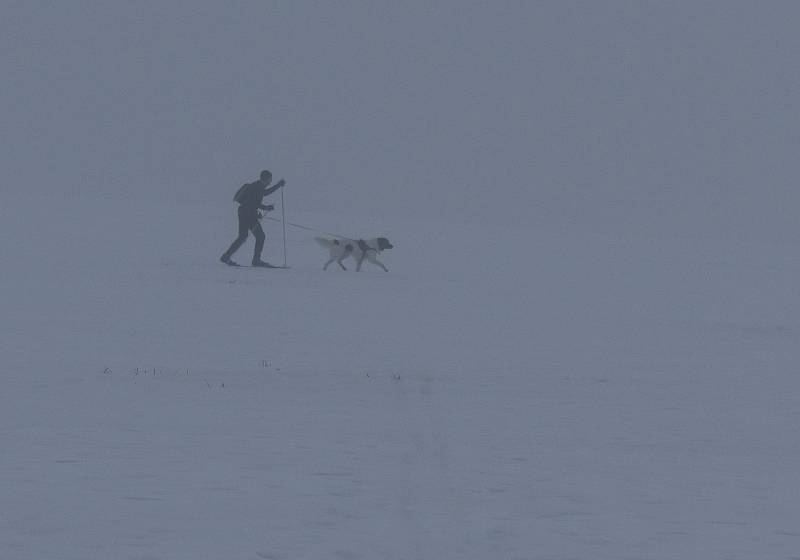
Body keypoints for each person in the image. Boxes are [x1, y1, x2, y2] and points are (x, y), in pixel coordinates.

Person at [220, 170, 285, 267]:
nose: (270, 182)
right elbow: (255, 203)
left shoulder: (257, 186)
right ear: (266, 179)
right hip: (248, 215)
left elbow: (263, 194)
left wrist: (278, 186)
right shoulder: (258, 187)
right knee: (259, 236)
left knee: (244, 237)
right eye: (270, 180)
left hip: (245, 213)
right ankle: (256, 260)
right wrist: (266, 208)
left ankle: (226, 256)